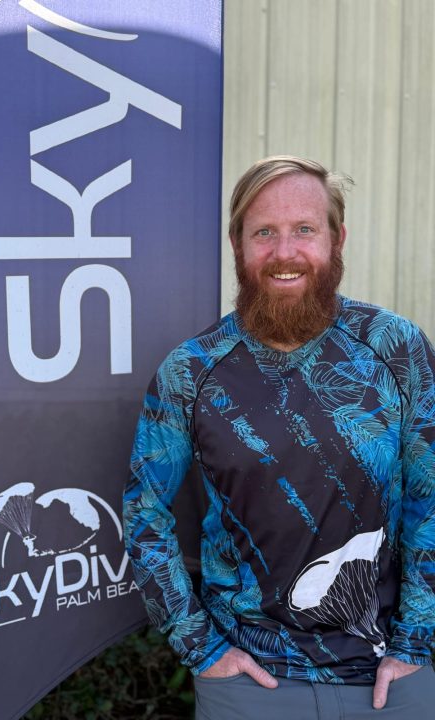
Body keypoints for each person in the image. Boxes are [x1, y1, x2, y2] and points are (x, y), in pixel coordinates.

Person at [123, 156, 435, 719]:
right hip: (248, 682)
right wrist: (200, 646)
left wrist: (416, 642)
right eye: (263, 232)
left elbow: (430, 498)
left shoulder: (395, 347)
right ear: (237, 243)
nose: (284, 252)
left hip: (392, 679)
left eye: (304, 230)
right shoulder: (190, 372)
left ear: (338, 239)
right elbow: (144, 510)